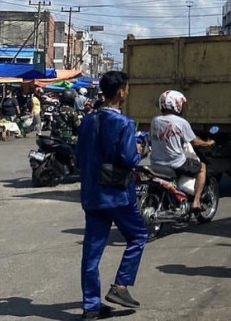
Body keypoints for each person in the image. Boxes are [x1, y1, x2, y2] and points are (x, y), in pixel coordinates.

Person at [76, 71, 148, 319]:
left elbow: (79, 157)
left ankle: (91, 307)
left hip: (92, 194)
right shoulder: (124, 123)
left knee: (92, 253)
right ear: (120, 92)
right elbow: (128, 159)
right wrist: (141, 150)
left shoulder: (88, 120)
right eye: (126, 89)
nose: (127, 93)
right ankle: (120, 285)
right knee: (138, 235)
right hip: (117, 194)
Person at [149, 90, 215, 213]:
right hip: (176, 163)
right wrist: (207, 143)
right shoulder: (181, 122)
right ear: (176, 104)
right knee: (202, 167)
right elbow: (195, 142)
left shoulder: (155, 121)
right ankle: (196, 201)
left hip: (156, 164)